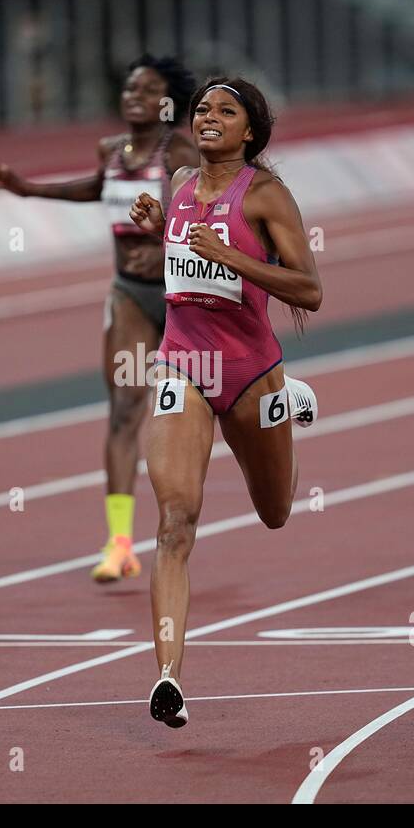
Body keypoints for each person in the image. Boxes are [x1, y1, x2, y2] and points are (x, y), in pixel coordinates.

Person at [128, 77, 322, 727]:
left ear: (250, 131)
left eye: (225, 111)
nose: (209, 118)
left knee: (275, 512)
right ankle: (168, 679)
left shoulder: (265, 195)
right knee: (174, 524)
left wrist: (235, 258)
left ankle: (286, 402)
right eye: (203, 109)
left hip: (250, 372)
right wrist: (162, 233)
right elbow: (189, 268)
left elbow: (309, 291)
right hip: (183, 365)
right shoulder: (181, 183)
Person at [0, 56, 198, 582]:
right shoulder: (112, 151)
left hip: (182, 297)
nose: (135, 96)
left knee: (194, 412)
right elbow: (95, 187)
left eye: (148, 90)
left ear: (168, 102)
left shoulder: (182, 152)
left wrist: (164, 229)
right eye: (129, 87)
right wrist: (29, 189)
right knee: (126, 409)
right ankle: (120, 543)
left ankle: (187, 515)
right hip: (130, 296)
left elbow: (202, 214)